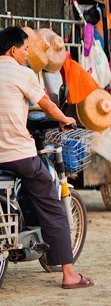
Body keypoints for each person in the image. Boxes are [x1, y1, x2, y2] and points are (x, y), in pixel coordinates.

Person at [0, 27, 93, 289]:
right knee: (53, 205)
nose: (28, 53)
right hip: (18, 155)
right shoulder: (22, 73)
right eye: (26, 48)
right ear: (13, 49)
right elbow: (47, 105)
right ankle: (70, 275)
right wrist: (64, 119)